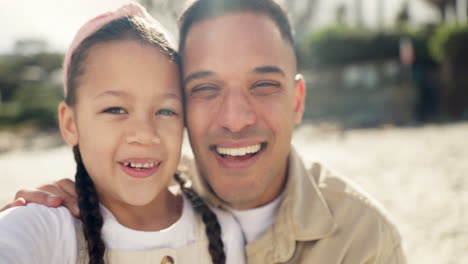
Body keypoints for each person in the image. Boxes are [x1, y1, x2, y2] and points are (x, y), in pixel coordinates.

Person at [3, 0, 407, 263]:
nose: (235, 119)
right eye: (205, 88)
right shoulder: (80, 214)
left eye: (264, 85)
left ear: (298, 100)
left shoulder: (364, 239)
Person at [0, 3, 245, 264]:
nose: (145, 134)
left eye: (165, 111)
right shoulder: (43, 228)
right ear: (71, 124)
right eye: (115, 109)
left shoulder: (222, 231)